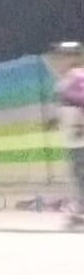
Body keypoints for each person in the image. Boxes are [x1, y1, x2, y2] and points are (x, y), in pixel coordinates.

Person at [50, 43, 84, 228]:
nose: (58, 61)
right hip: (73, 138)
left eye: (62, 56)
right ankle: (79, 211)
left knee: (80, 174)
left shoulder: (77, 76)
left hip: (79, 138)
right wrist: (56, 121)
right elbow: (68, 104)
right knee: (77, 174)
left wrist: (80, 124)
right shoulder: (66, 79)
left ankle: (80, 213)